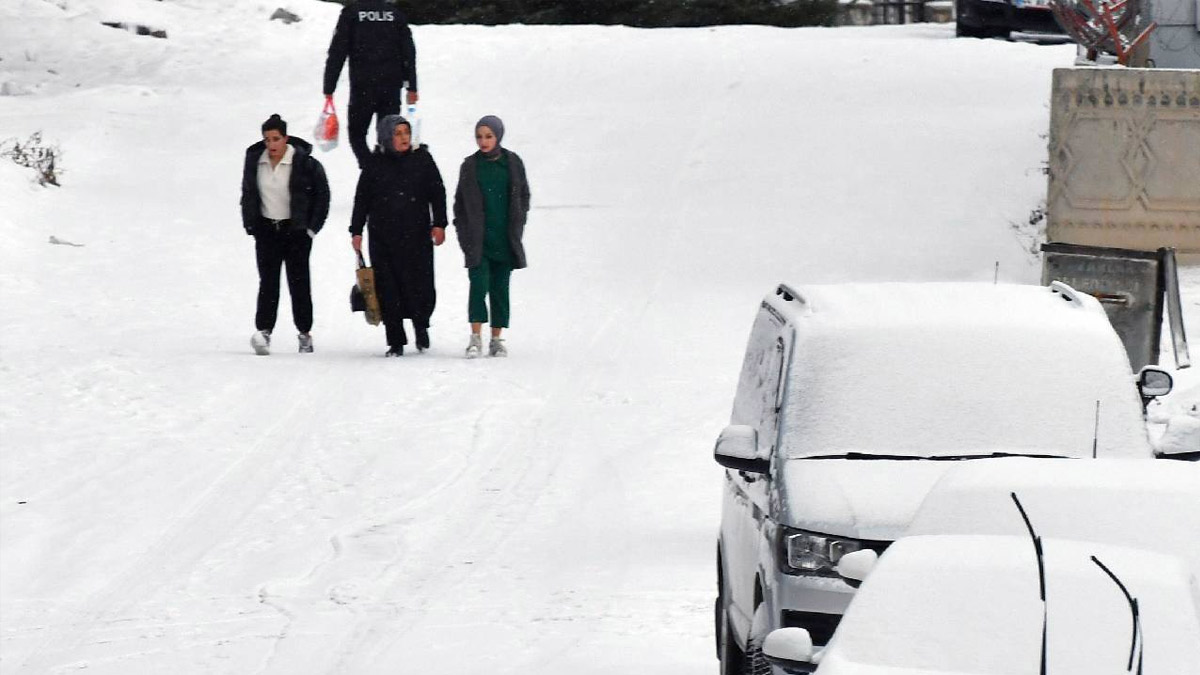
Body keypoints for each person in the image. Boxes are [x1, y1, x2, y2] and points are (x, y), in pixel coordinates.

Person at [350, 115, 447, 356]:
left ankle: (421, 326)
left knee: (419, 286)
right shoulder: (375, 164)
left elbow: (437, 191)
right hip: (383, 238)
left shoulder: (422, 159)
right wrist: (356, 230)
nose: (404, 138)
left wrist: (440, 224)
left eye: (406, 132)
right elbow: (362, 198)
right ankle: (395, 340)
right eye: (397, 133)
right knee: (388, 288)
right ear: (386, 137)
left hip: (417, 236)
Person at [240, 114, 330, 355]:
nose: (272, 144)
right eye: (267, 139)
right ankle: (264, 331)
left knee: (299, 283)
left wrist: (311, 228)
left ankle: (304, 332)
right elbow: (248, 192)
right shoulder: (255, 162)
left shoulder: (304, 163)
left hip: (296, 231)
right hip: (267, 230)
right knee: (268, 282)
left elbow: (322, 196)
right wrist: (251, 224)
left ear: (285, 138)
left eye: (276, 139)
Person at [452, 115, 530, 359]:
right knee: (478, 286)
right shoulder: (470, 166)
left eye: (488, 136)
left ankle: (496, 338)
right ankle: (475, 336)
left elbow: (523, 195)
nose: (483, 141)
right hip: (478, 241)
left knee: (500, 289)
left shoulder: (512, 163)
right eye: (479, 136)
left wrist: (518, 221)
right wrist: (464, 232)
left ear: (498, 137)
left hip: (504, 239)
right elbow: (459, 203)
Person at [322, 0, 419, 169]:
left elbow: (338, 51)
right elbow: (408, 52)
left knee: (357, 134)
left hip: (363, 87)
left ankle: (370, 169)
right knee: (389, 135)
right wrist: (412, 86)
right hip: (391, 86)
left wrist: (329, 86)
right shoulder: (394, 13)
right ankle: (387, 171)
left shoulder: (352, 13)